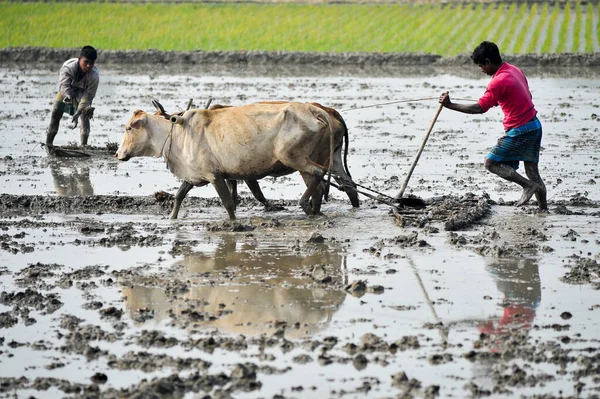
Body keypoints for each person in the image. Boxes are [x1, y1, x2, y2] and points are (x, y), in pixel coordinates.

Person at [439, 41, 547, 210]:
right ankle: (543, 210)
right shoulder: (514, 70)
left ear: (488, 62)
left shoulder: (497, 82)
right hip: (534, 125)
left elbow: (479, 108)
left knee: (491, 163)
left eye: (482, 65)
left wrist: (450, 105)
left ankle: (527, 186)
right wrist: (502, 99)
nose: (482, 70)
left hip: (520, 129)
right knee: (533, 171)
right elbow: (525, 94)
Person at [46, 45, 99, 148]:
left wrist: (79, 111)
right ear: (79, 59)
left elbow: (89, 95)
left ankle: (83, 145)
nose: (88, 66)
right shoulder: (68, 67)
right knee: (56, 111)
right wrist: (68, 96)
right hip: (67, 91)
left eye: (91, 63)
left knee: (85, 114)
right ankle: (49, 144)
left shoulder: (94, 76)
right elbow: (64, 85)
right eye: (86, 62)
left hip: (82, 93)